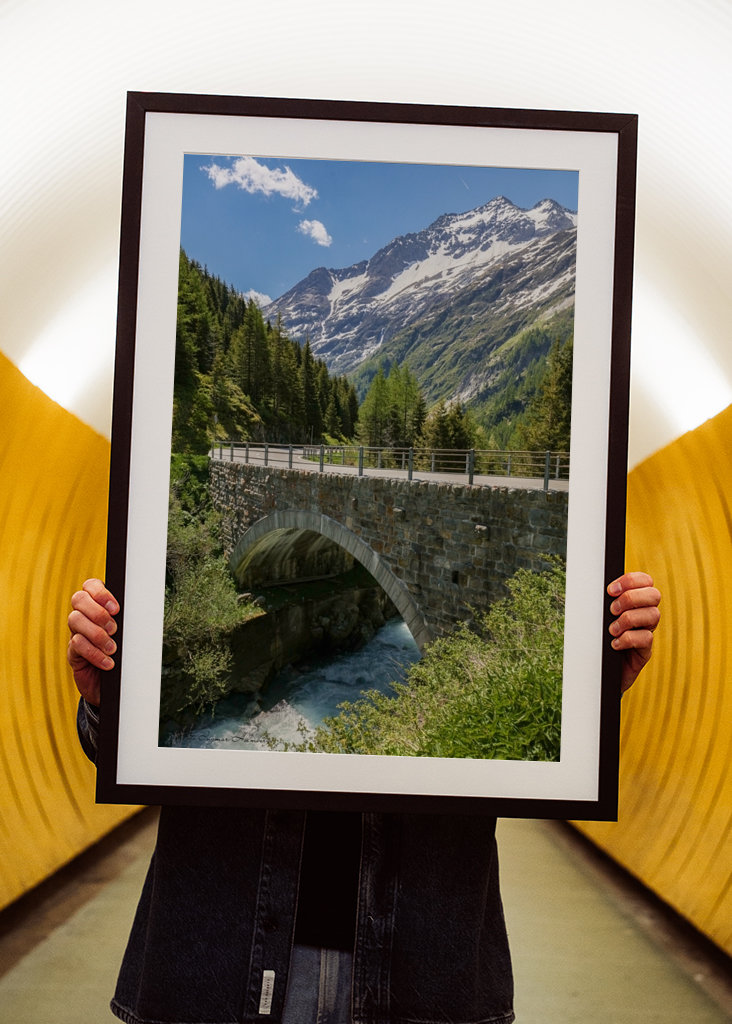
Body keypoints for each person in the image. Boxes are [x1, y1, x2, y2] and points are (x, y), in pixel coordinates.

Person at [68, 572, 661, 1024]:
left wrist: (584, 694)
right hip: (220, 956)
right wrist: (109, 702)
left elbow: (540, 757)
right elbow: (124, 752)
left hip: (421, 964)